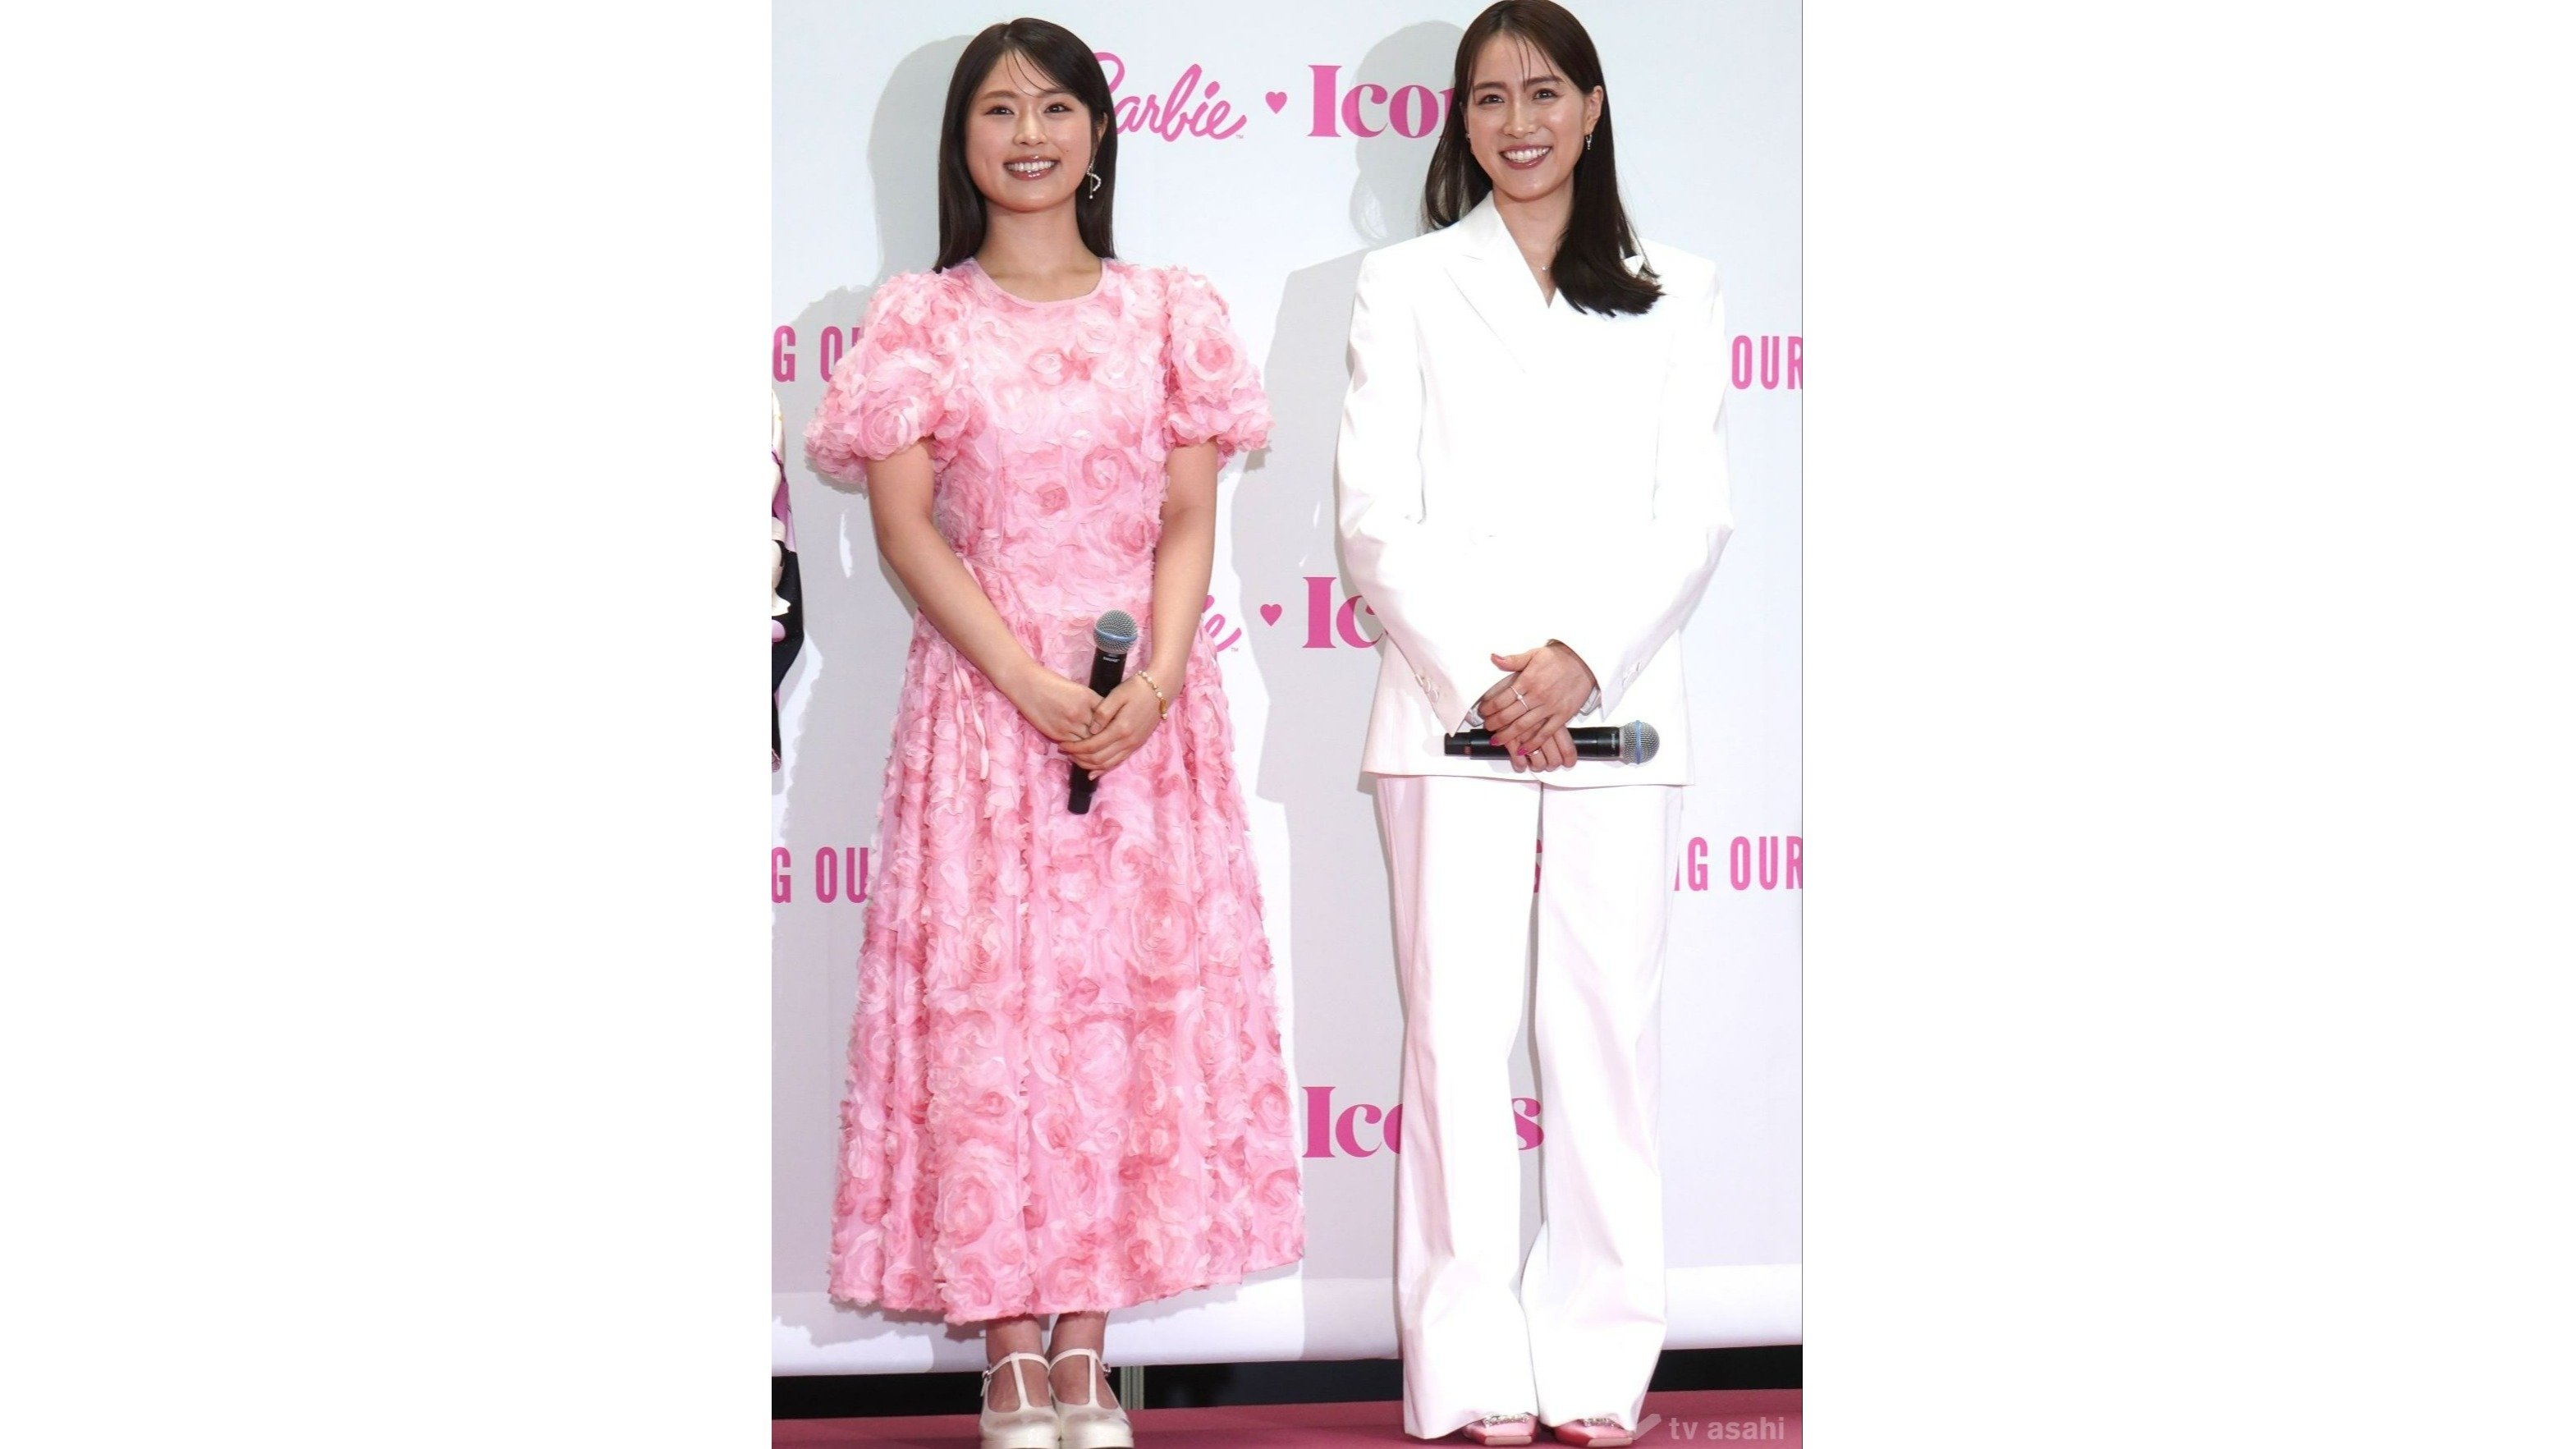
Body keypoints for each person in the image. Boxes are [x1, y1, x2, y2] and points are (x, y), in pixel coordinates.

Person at [804, 19, 1304, 1449]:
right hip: (983, 709)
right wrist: (1027, 683)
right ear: (960, 142)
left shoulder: (1168, 310)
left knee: (1113, 1024)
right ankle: (1007, 1353)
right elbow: (905, 529)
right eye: (998, 111)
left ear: (1097, 135)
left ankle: (1086, 1348)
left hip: (1143, 715)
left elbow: (1191, 513)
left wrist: (1154, 682)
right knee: (989, 1021)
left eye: (1054, 109)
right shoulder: (920, 319)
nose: (1028, 135)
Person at [1332, 2, 1733, 1443]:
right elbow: (1374, 518)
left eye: (1545, 92)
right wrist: (1485, 682)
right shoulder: (1401, 282)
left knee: (1604, 1037)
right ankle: (1467, 1369)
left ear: (1593, 106)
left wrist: (1579, 662)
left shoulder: (1679, 288)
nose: (1519, 122)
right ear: (1460, 119)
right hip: (1448, 715)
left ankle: (1599, 1358)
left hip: (1615, 710)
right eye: (1490, 97)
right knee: (1453, 1036)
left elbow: (1693, 514)